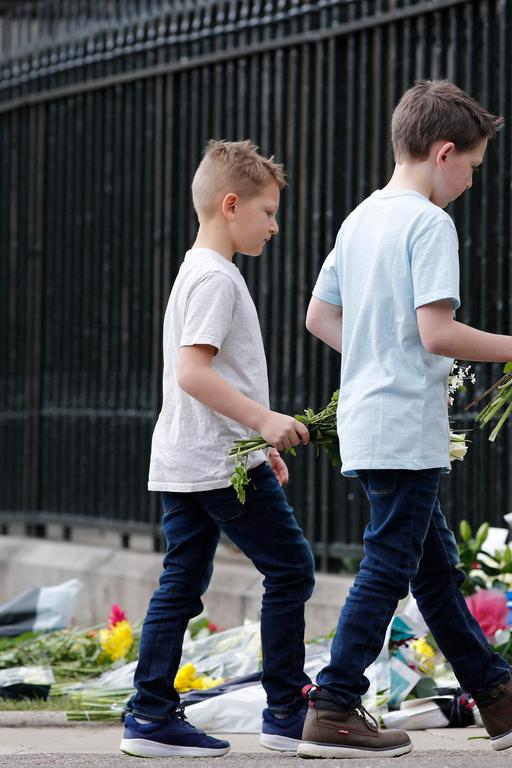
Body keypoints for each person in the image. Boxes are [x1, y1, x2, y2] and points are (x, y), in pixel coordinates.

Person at [300, 80, 512, 759]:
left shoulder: (360, 218)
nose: (472, 184)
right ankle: (334, 705)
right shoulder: (429, 224)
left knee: (431, 568)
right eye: (474, 168)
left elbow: (318, 316)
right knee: (390, 566)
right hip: (403, 425)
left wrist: (376, 350)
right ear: (446, 153)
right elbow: (435, 331)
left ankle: (495, 694)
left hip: (371, 420)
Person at [121, 140, 316, 758]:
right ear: (231, 205)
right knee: (291, 569)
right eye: (267, 211)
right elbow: (193, 374)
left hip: (190, 458)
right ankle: (287, 710)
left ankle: (149, 714)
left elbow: (204, 378)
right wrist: (263, 420)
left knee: (182, 582)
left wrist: (258, 439)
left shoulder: (196, 271)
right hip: (216, 467)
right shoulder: (216, 279)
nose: (275, 224)